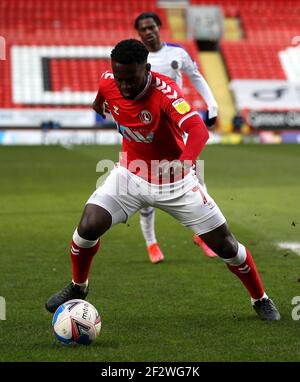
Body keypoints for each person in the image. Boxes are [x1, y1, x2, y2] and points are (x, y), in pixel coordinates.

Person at [46, 39, 280, 321]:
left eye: (130, 79)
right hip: (129, 175)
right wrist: (99, 102)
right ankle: (78, 286)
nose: (125, 86)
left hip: (175, 183)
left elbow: (198, 131)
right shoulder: (111, 81)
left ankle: (260, 299)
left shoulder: (166, 94)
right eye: (119, 79)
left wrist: (185, 163)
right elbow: (104, 91)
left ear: (145, 69)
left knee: (227, 247)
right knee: (87, 226)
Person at [134, 12, 218, 263]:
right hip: (146, 130)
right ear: (139, 34)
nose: (148, 32)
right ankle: (151, 243)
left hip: (176, 126)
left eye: (151, 27)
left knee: (196, 178)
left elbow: (197, 77)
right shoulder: (137, 58)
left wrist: (212, 105)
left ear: (159, 28)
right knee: (145, 188)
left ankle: (202, 235)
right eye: (143, 29)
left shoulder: (177, 54)